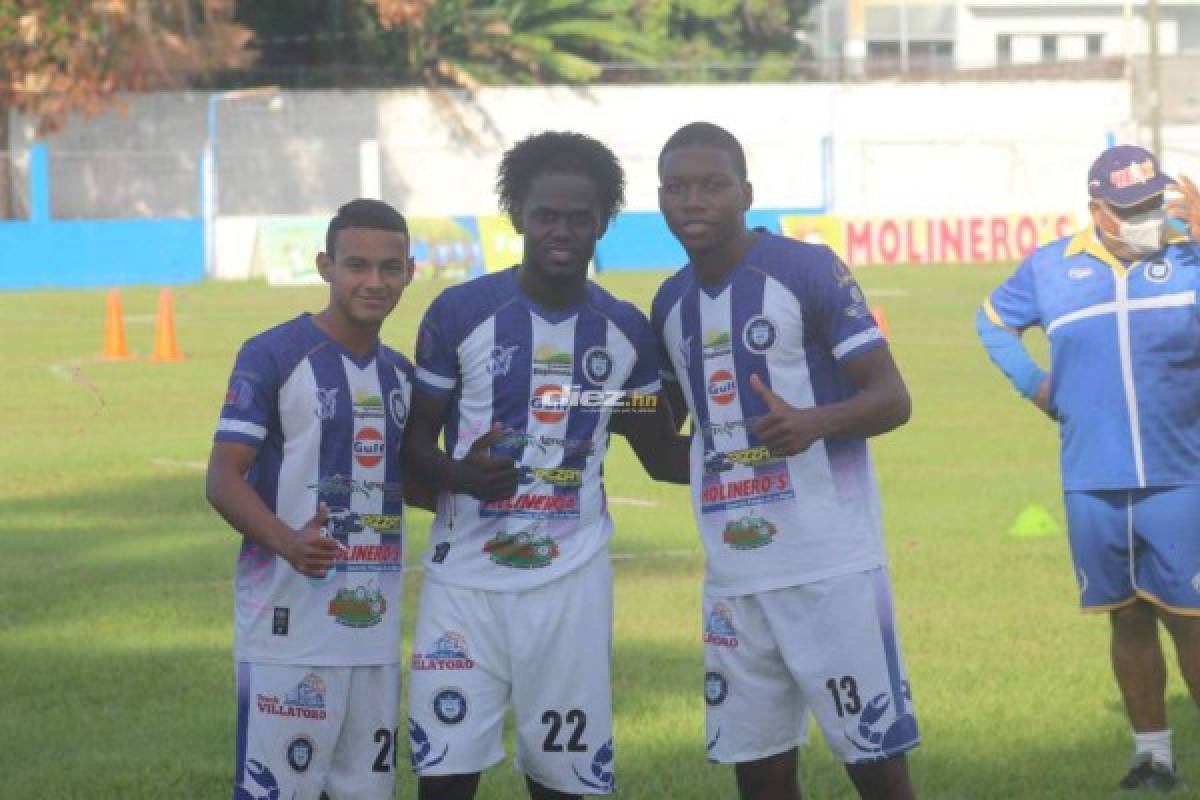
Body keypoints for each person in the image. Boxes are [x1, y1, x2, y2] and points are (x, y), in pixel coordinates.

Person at [403, 130, 688, 800]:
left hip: (572, 587)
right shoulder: (459, 313)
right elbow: (412, 448)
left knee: (565, 782)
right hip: (462, 588)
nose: (562, 231)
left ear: (602, 223)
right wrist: (460, 474)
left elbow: (661, 455)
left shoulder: (625, 331)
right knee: (444, 779)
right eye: (546, 216)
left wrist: (781, 433)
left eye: (579, 218)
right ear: (518, 217)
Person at [651, 121, 919, 800]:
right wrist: (570, 404)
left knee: (876, 764)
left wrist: (812, 425)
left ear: (746, 192)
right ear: (660, 201)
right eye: (678, 188)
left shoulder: (804, 268)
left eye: (712, 185)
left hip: (831, 566)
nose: (694, 202)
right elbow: (664, 443)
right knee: (761, 773)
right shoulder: (670, 302)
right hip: (734, 579)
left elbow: (892, 398)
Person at [977, 144, 1200, 792]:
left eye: (1154, 204)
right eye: (1130, 208)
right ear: (1097, 210)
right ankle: (1153, 756)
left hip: (1182, 475)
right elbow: (991, 323)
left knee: (1192, 619)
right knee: (1126, 615)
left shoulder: (1190, 255)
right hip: (1092, 481)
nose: (1146, 218)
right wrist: (1037, 386)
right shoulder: (1052, 269)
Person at [206, 198, 419, 800]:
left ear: (410, 272)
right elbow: (223, 477)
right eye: (357, 265)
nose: (374, 282)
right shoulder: (271, 354)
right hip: (287, 628)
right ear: (326, 267)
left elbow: (413, 483)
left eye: (390, 267)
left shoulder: (401, 375)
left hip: (373, 632)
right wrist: (288, 541)